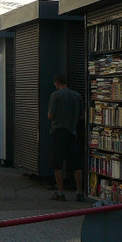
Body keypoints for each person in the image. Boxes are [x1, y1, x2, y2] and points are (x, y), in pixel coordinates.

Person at [47, 73, 84, 202]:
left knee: (57, 164)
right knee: (75, 163)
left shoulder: (55, 95)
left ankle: (61, 192)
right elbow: (81, 116)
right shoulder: (77, 96)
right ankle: (79, 191)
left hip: (58, 132)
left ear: (57, 82)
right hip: (72, 132)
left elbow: (50, 115)